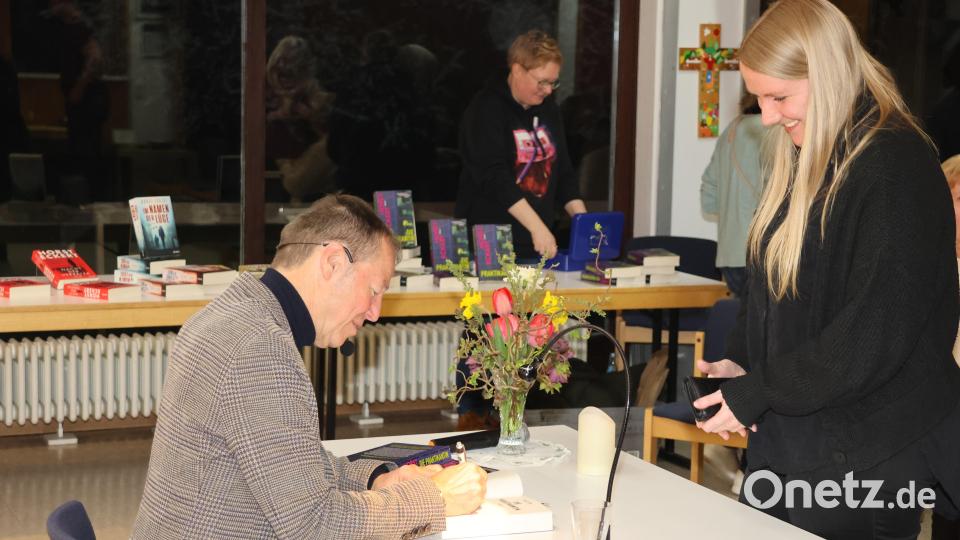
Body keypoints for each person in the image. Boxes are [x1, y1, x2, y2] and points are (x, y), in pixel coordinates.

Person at [692, 1, 960, 538]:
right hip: (795, 440)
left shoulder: (894, 167)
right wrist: (746, 366)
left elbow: (870, 335)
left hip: (867, 454)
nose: (766, 116)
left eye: (779, 97)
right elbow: (778, 288)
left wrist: (761, 390)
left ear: (829, 74)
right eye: (760, 98)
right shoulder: (808, 154)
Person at [133, 194, 487, 539]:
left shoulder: (231, 314)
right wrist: (436, 499)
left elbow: (289, 462)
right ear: (333, 262)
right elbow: (314, 527)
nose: (375, 313)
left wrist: (376, 477)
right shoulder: (260, 349)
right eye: (375, 290)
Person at [455, 30, 586, 261]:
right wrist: (537, 227)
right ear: (517, 70)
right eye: (542, 82)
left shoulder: (549, 110)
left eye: (553, 83)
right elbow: (494, 177)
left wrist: (584, 224)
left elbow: (563, 170)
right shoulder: (485, 109)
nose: (547, 91)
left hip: (538, 243)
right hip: (490, 246)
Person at [700, 93, 764, 298]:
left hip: (729, 255)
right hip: (762, 253)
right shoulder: (775, 133)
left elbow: (709, 198)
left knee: (741, 319)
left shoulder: (730, 132)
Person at [266, 36, 337, 202]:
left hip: (318, 195)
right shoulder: (267, 105)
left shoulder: (322, 102)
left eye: (292, 70)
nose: (285, 77)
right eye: (280, 71)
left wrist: (313, 116)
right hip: (280, 195)